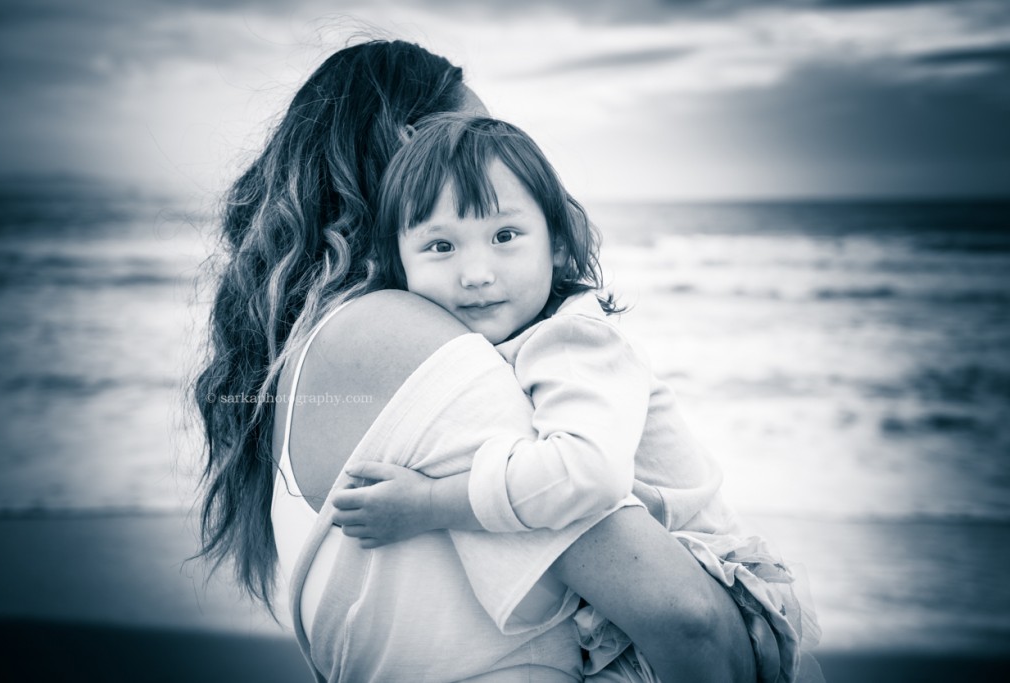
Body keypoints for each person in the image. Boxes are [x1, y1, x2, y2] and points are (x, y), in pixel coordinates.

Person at [195, 39, 764, 682]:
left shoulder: (300, 360)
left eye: (506, 233)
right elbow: (689, 618)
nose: (489, 157)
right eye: (470, 138)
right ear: (416, 147)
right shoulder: (397, 336)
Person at [331, 113, 821, 682]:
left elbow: (587, 472)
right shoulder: (506, 344)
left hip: (706, 589)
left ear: (559, 244)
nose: (476, 272)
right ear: (400, 266)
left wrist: (430, 504)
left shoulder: (572, 339)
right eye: (440, 246)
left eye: (505, 237)